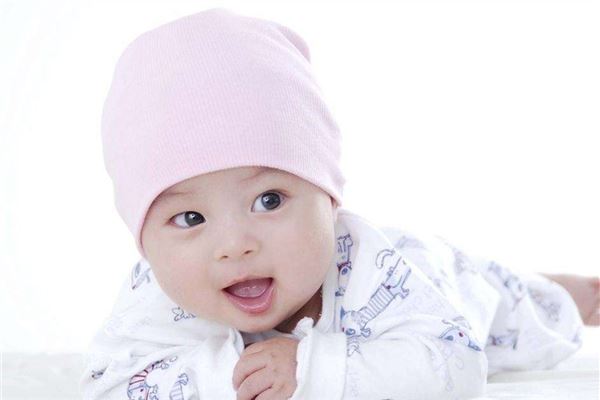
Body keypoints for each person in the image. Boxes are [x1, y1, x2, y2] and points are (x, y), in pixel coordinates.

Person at [80, 7, 598, 400]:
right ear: (144, 242)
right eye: (189, 218)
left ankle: (562, 293)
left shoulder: (379, 269)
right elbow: (107, 386)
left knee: (513, 308)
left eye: (268, 200)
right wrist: (232, 375)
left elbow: (456, 366)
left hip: (441, 276)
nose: (235, 245)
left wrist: (311, 368)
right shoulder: (154, 298)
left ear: (327, 199)